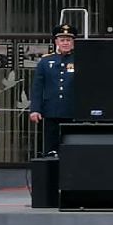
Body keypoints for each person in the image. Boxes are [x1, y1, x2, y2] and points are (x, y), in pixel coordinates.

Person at [30, 24, 76, 155]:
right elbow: (38, 87)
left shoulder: (80, 60)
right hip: (51, 111)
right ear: (56, 42)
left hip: (73, 111)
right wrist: (35, 109)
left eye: (68, 40)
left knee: (71, 148)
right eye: (62, 40)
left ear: (73, 42)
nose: (65, 43)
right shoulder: (45, 62)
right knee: (51, 149)